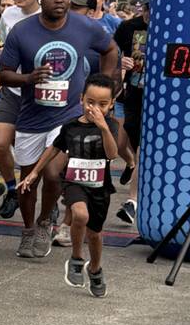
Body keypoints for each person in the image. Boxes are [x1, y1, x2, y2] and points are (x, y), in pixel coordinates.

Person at [0, 0, 117, 259]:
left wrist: (104, 84)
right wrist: (28, 78)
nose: (60, 0)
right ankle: (29, 228)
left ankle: (44, 222)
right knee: (28, 180)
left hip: (68, 114)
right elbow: (4, 73)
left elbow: (110, 49)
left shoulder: (84, 26)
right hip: (31, 116)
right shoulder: (22, 31)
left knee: (53, 173)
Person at [17, 73, 118, 298]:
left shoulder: (110, 125)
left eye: (102, 104)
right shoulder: (71, 126)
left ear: (111, 104)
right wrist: (34, 172)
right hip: (74, 181)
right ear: (81, 99)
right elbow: (54, 148)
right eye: (90, 102)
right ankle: (76, 258)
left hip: (99, 187)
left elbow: (112, 154)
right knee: (80, 215)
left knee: (95, 234)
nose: (95, 109)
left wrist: (103, 128)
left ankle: (95, 268)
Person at [0, 0, 41, 218]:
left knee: (35, 155)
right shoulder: (9, 14)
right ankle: (12, 189)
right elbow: (2, 42)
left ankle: (45, 202)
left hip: (38, 93)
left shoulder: (46, 16)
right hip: (11, 90)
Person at [114, 0, 150, 187]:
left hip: (155, 95)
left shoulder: (170, 28)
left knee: (142, 145)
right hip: (130, 91)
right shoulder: (128, 27)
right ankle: (131, 163)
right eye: (146, 8)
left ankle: (135, 195)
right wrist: (121, 62)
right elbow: (111, 52)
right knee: (122, 142)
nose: (148, 13)